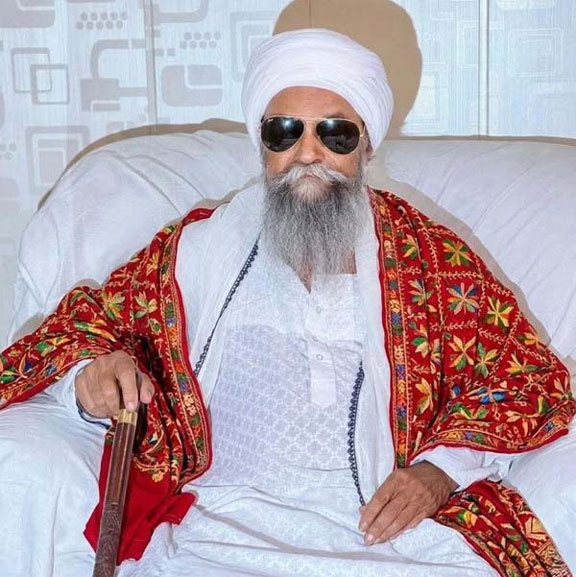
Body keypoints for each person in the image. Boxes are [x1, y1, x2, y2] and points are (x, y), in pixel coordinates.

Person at [0, 29, 574, 577]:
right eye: (285, 132)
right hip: (221, 531)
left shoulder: (429, 259)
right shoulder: (198, 251)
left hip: (394, 540)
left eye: (335, 134)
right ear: (262, 145)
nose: (308, 153)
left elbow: (528, 378)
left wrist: (439, 471)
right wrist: (91, 375)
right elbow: (86, 327)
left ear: (366, 145)